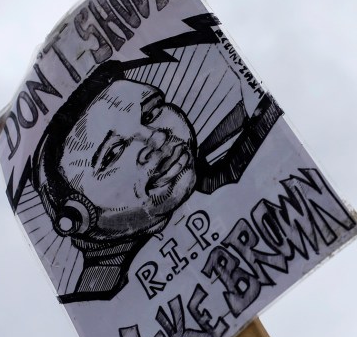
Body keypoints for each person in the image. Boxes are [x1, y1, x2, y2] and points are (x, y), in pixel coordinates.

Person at [34, 60, 282, 303]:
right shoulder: (102, 301)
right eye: (113, 153)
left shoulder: (254, 137)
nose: (157, 138)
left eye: (151, 113)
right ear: (78, 214)